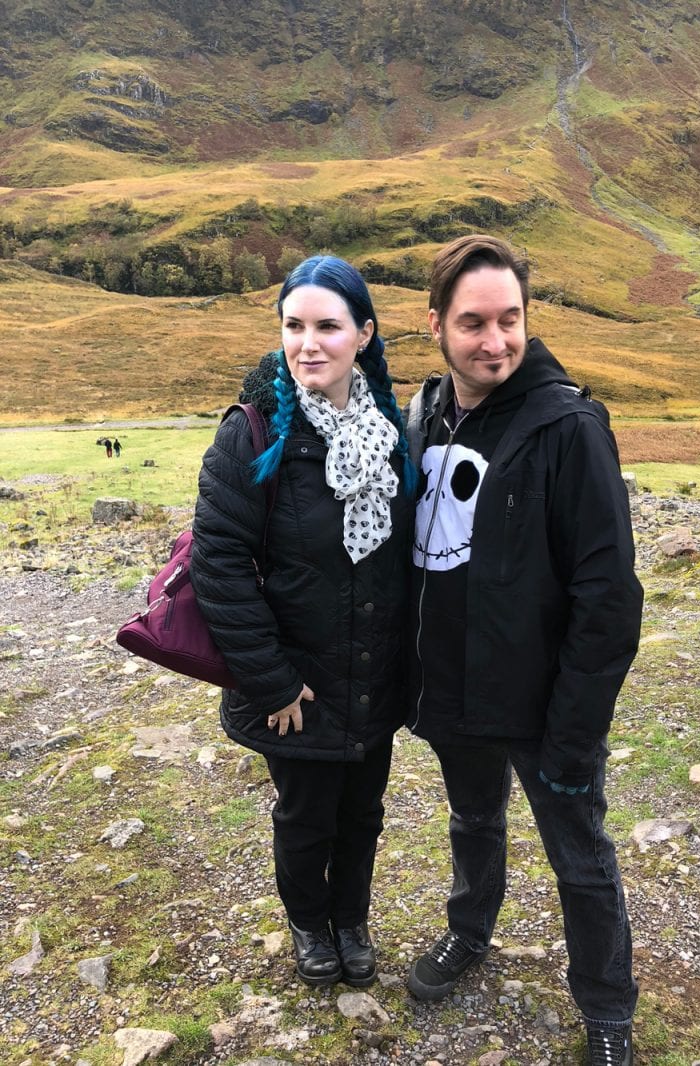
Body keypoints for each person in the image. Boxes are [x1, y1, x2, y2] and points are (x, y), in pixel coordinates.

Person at [405, 235, 643, 1066]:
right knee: (473, 822)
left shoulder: (568, 427)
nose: (494, 340)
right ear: (435, 323)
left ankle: (608, 1008)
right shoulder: (426, 410)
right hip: (453, 695)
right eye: (473, 322)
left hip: (545, 708)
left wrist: (576, 729)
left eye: (510, 319)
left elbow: (608, 598)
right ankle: (470, 932)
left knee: (579, 860)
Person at [191, 255, 415, 988]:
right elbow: (218, 569)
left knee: (364, 814)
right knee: (305, 815)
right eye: (294, 326)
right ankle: (308, 921)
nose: (308, 343)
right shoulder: (252, 436)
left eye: (328, 326)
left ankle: (351, 918)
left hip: (372, 676)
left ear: (364, 335)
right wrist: (273, 684)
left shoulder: (392, 434)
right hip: (295, 686)